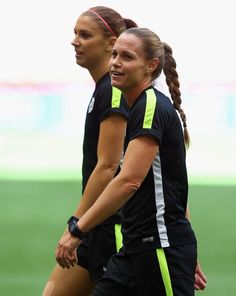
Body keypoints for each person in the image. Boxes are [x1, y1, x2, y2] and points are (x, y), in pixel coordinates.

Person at [55, 27, 207, 295]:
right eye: (114, 55)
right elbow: (172, 185)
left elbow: (128, 181)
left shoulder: (151, 105)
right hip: (135, 248)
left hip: (160, 247)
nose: (115, 62)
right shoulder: (138, 106)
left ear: (151, 66)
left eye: (126, 57)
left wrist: (78, 229)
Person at [42, 6, 137, 296]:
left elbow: (108, 167)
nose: (75, 41)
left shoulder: (113, 90)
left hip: (111, 227)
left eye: (85, 35)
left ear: (111, 44)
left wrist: (75, 227)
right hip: (97, 226)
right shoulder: (104, 88)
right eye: (75, 33)